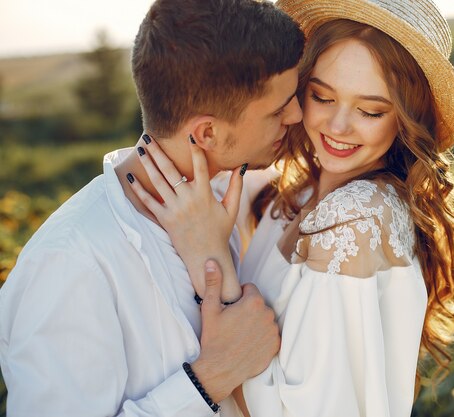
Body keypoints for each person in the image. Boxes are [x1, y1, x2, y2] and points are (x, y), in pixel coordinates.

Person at [130, 0, 454, 416]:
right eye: (322, 97)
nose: (338, 126)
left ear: (405, 118)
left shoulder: (354, 219)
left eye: (370, 110)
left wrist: (210, 256)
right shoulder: (299, 192)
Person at [0, 0, 305, 415]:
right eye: (279, 108)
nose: (298, 114)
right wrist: (208, 378)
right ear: (207, 133)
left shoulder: (228, 191)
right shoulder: (69, 262)